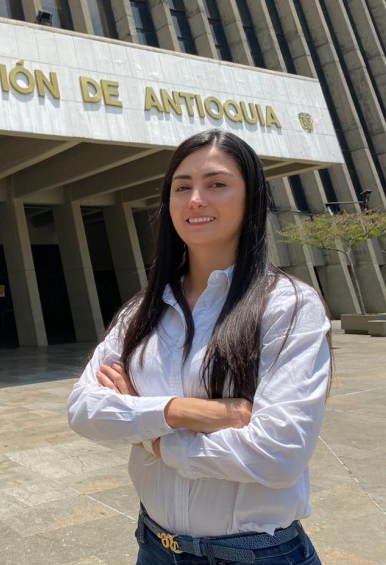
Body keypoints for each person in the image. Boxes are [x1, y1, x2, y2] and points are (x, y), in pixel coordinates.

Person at [67, 129, 330, 564]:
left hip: (255, 554)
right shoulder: (143, 310)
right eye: (182, 186)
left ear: (251, 199)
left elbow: (278, 454)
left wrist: (151, 435)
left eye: (217, 184)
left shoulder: (287, 305)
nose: (195, 199)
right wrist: (182, 412)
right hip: (155, 548)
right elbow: (83, 409)